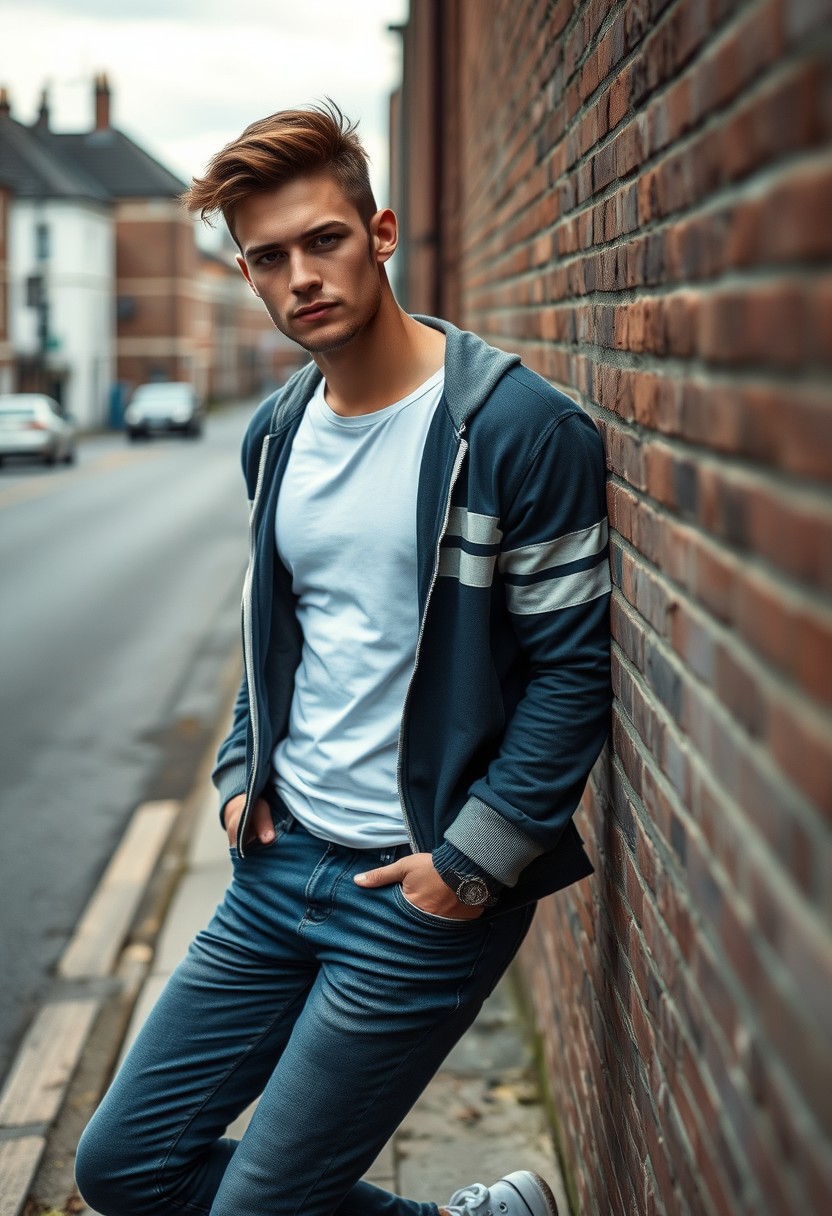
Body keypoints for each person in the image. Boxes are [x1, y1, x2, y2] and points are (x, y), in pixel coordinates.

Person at [75, 102, 611, 1216]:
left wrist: (465, 868)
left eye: (323, 240)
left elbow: (571, 672)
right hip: (277, 870)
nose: (301, 277)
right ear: (246, 275)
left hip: (414, 889)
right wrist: (237, 775)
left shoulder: (513, 431)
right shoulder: (275, 434)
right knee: (119, 1168)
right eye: (268, 259)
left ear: (380, 231)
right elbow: (280, 637)